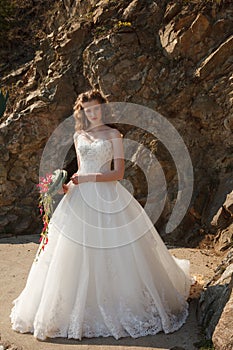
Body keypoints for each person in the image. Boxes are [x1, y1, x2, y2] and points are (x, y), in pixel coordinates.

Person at [10, 89, 191, 341]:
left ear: (102, 108)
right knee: (69, 253)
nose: (92, 113)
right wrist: (64, 185)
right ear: (82, 112)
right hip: (79, 198)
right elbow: (81, 169)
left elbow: (118, 173)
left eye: (96, 108)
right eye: (87, 110)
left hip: (109, 196)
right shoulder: (78, 135)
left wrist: (88, 178)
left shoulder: (113, 134)